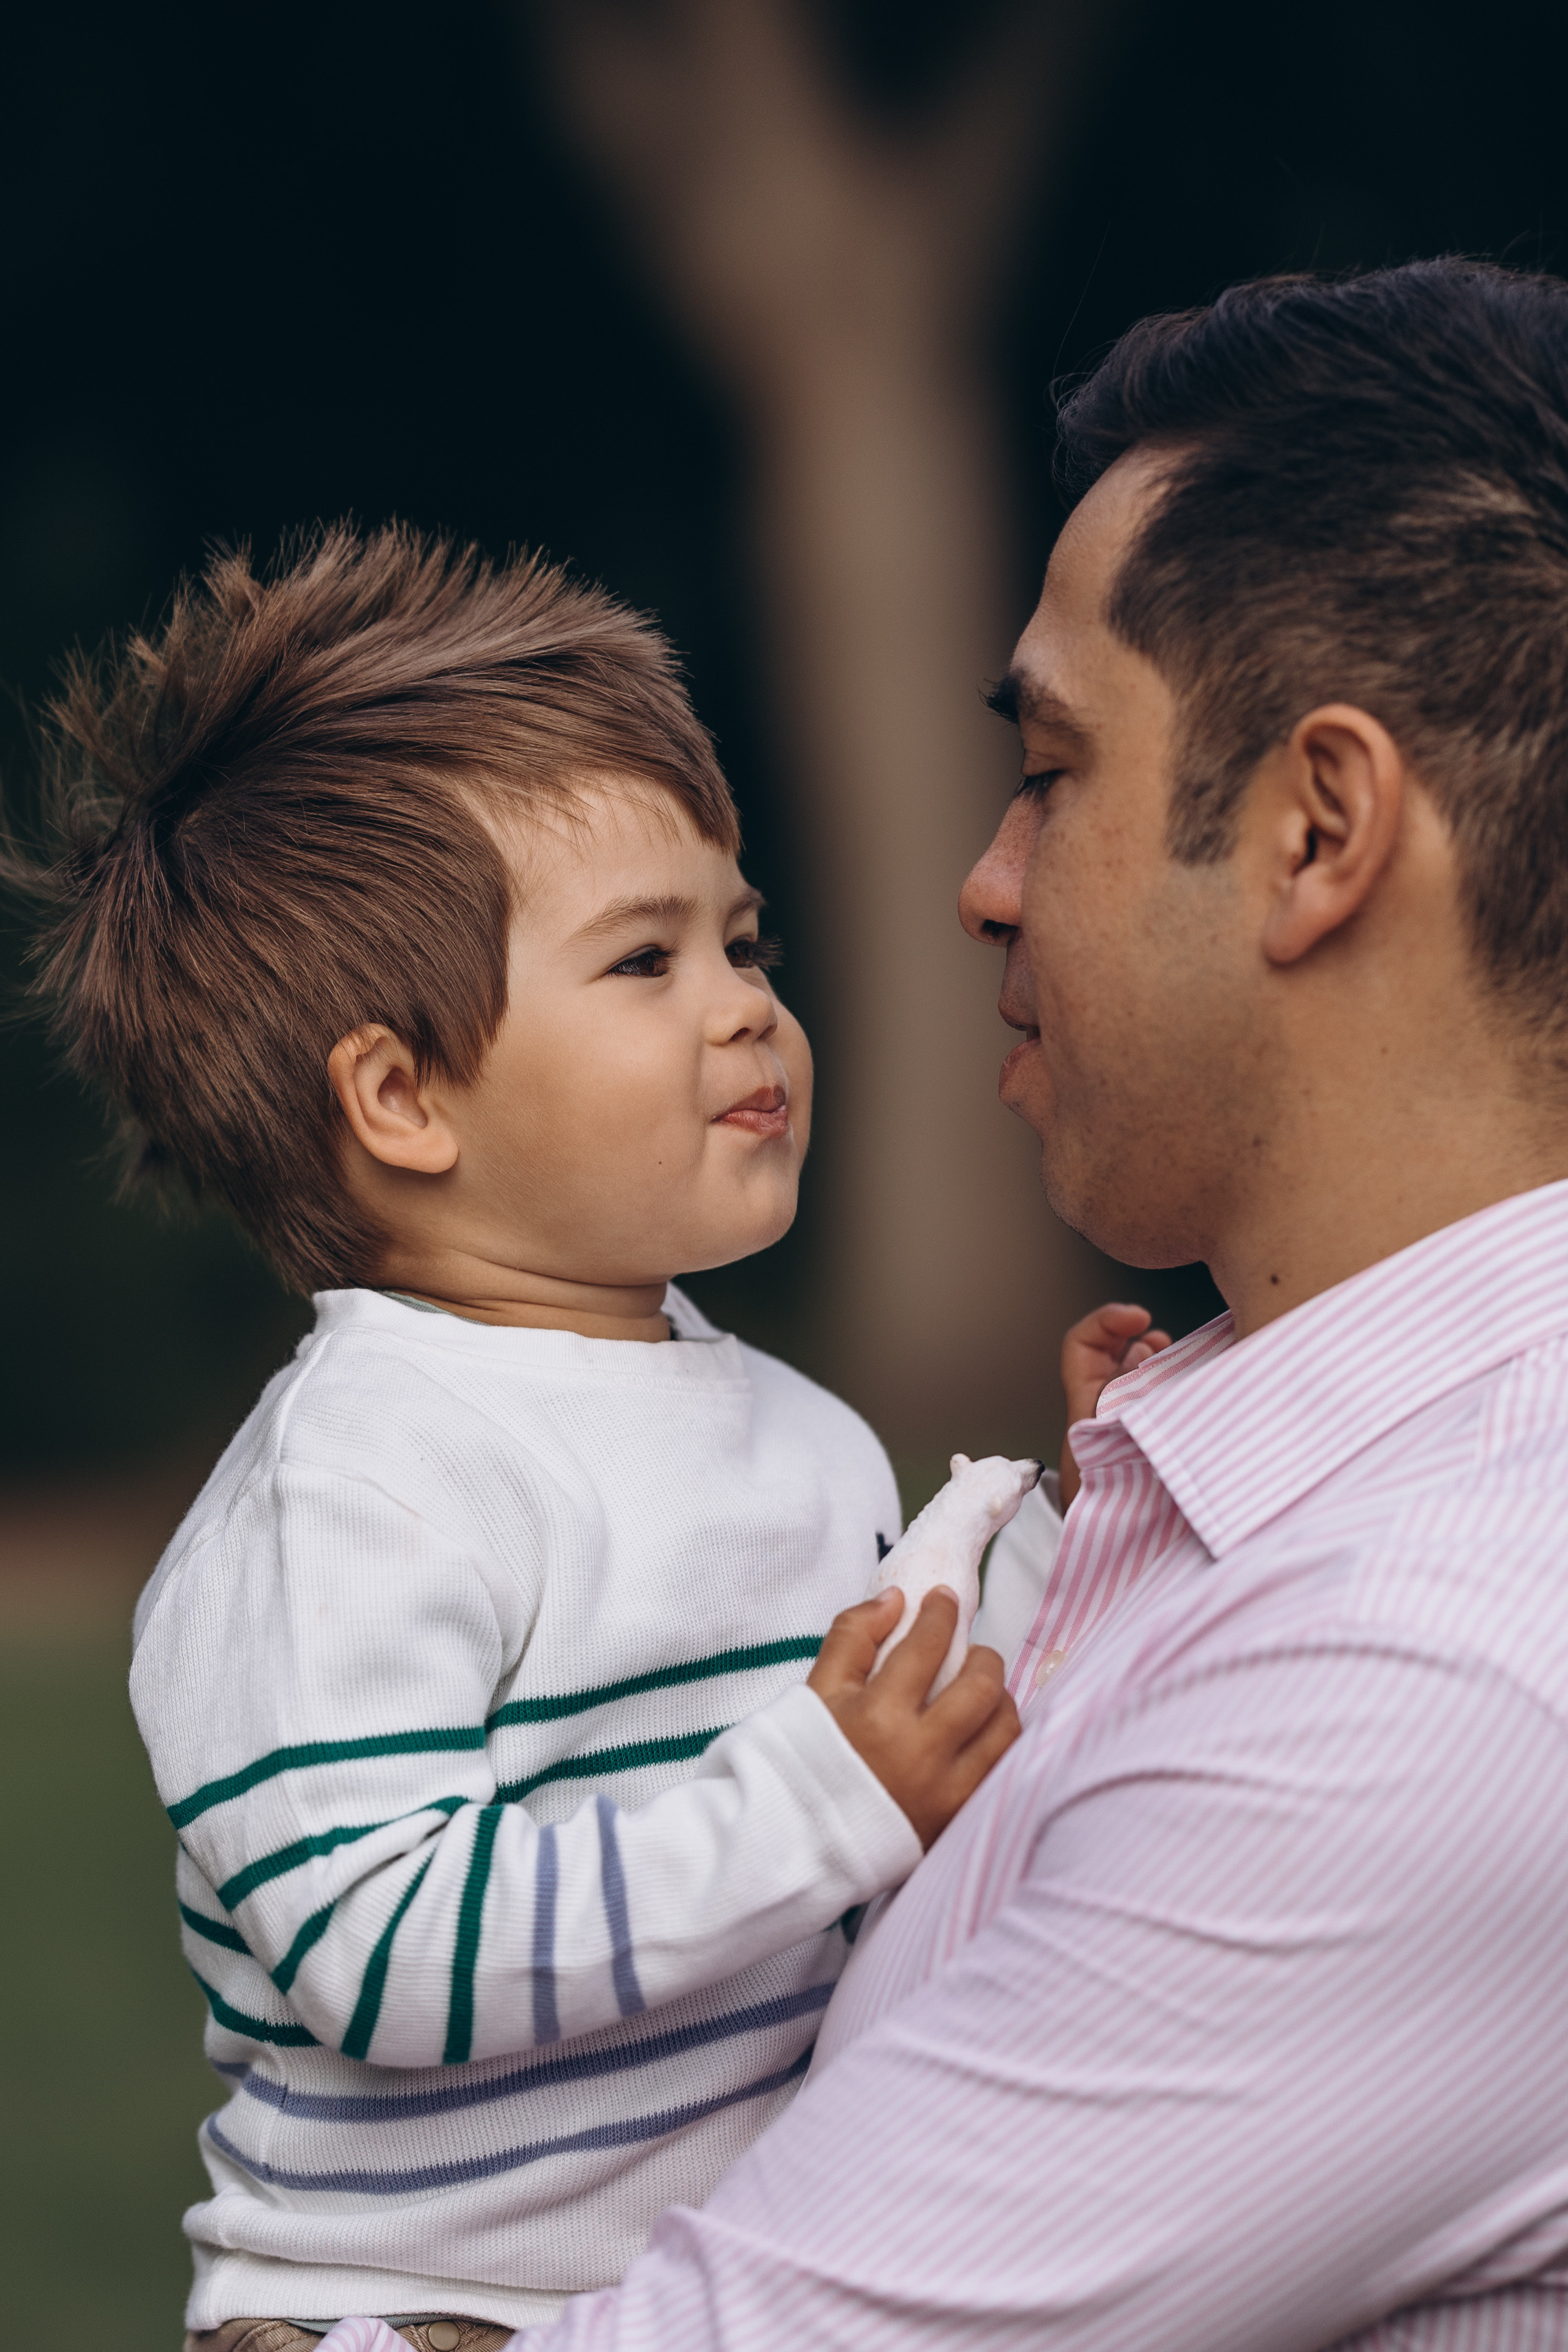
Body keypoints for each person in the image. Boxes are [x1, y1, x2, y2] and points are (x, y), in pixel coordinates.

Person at [424, 258, 1568, 2351]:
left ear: (1321, 828)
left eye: (1052, 767)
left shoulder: (1440, 1666)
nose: (987, 877)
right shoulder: (1304, 1487)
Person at [20, 528, 1030, 2348]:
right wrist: (816, 1801)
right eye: (643, 960)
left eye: (745, 935)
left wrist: (1085, 1498)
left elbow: (933, 1729)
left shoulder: (800, 1434)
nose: (745, 1002)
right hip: (412, 2312)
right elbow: (388, 1953)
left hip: (731, 2284)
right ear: (405, 1096)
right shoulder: (355, 1487)